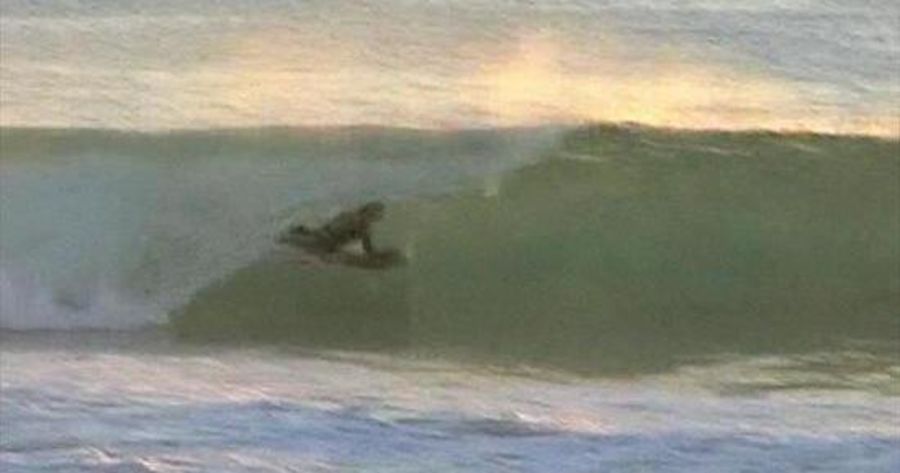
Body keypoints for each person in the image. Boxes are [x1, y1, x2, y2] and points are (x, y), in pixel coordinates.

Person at [281, 201, 386, 256]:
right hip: (322, 240)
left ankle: (299, 231)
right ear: (365, 211)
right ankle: (297, 232)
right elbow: (330, 230)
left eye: (377, 215)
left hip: (326, 241)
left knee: (291, 240)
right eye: (373, 214)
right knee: (286, 240)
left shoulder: (365, 227)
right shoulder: (351, 218)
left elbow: (368, 248)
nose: (375, 217)